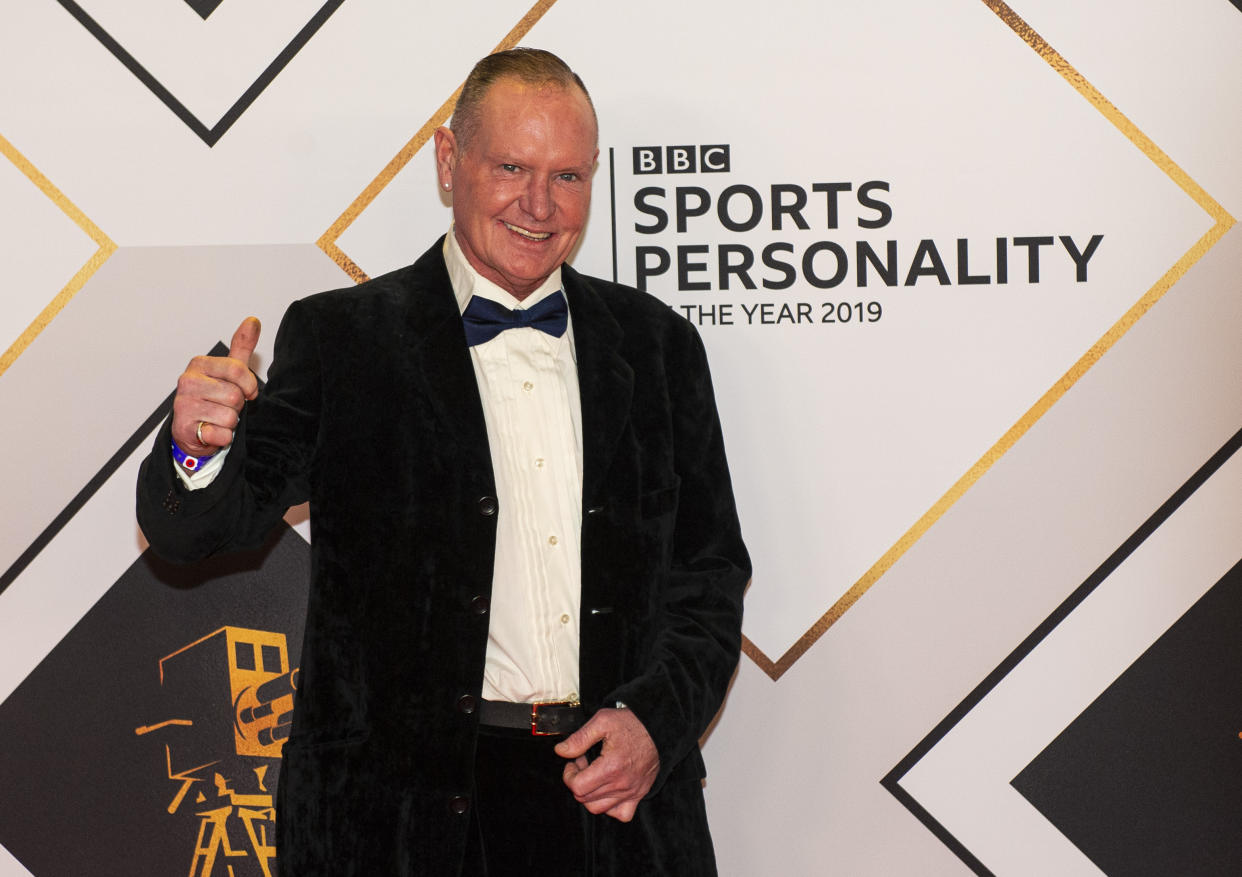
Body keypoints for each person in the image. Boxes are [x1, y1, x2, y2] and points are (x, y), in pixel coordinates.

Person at [136, 47, 749, 876]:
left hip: (617, 811)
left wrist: (654, 722)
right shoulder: (343, 337)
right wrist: (195, 447)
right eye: (510, 167)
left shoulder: (660, 346)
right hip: (400, 822)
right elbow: (202, 530)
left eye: (568, 176)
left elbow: (708, 578)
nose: (539, 204)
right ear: (448, 161)